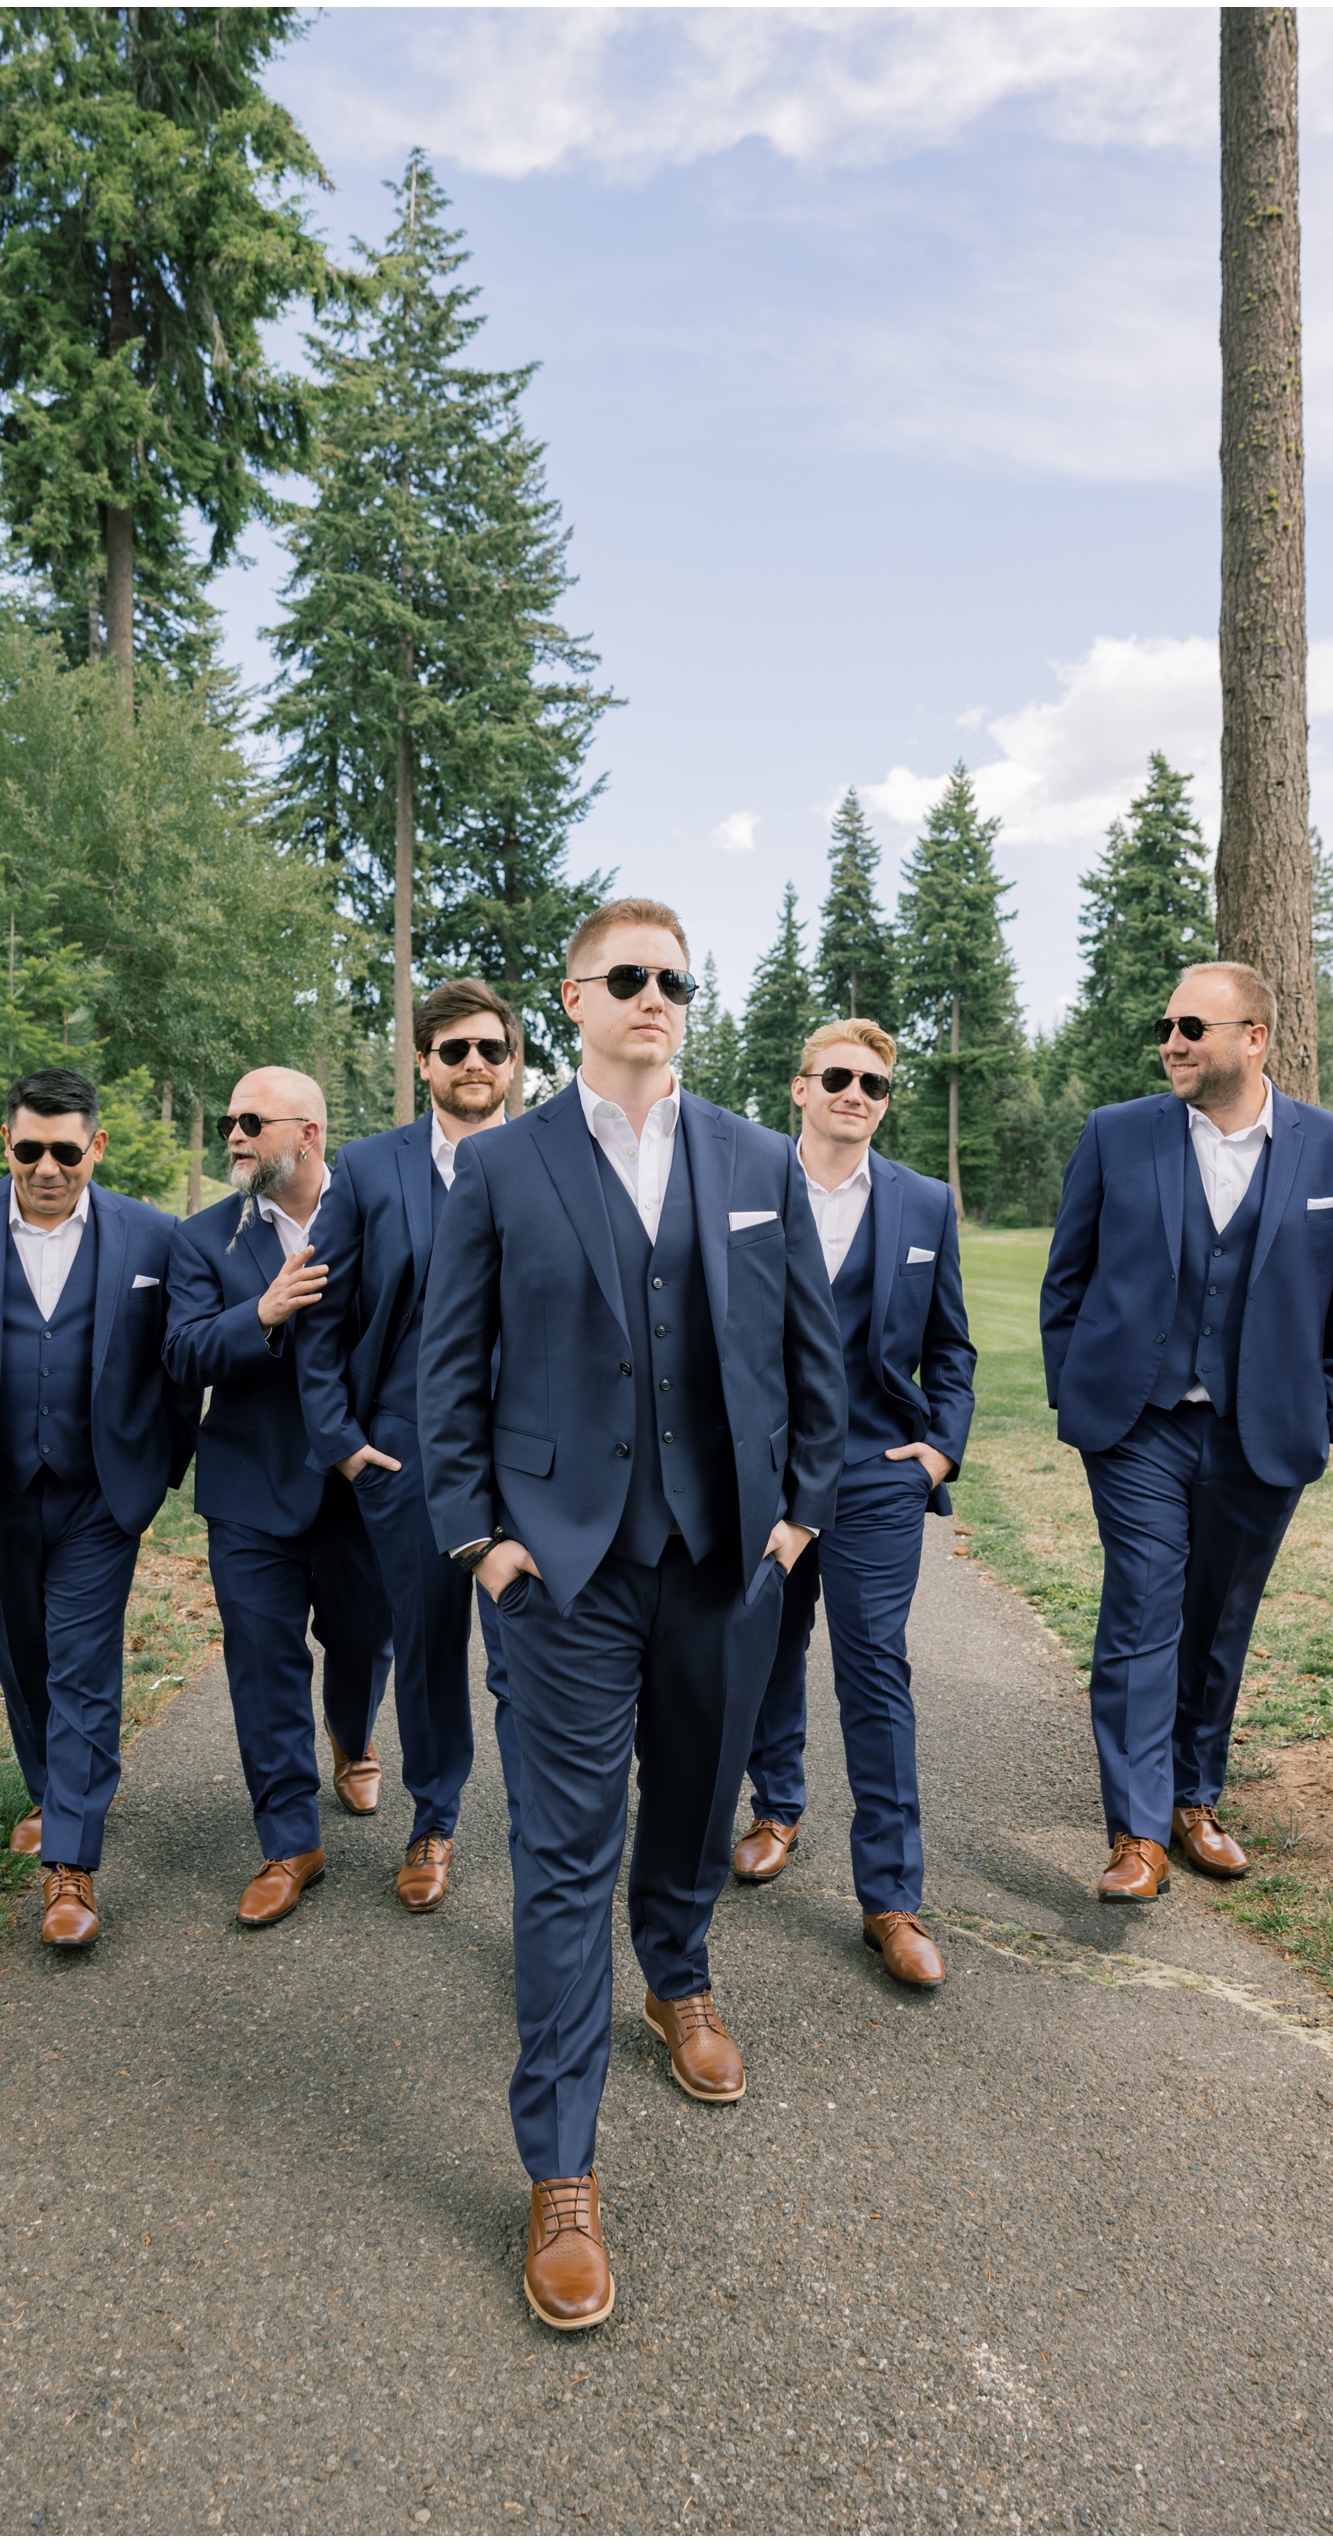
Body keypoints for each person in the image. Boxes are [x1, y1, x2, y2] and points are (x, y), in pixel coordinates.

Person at [419, 898, 847, 2331]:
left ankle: (678, 1974)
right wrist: (480, 1538)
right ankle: (560, 2165)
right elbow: (450, 1366)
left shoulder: (753, 1155)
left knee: (696, 1804)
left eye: (675, 977)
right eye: (629, 976)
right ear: (577, 996)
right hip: (560, 1569)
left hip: (725, 1556)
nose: (655, 994)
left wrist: (797, 1514)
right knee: (559, 1850)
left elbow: (808, 1354)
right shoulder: (503, 1165)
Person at [1041, 962, 1333, 1901]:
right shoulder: (1117, 1134)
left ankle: (1196, 1795)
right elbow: (1066, 1278)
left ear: (1255, 1038)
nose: (1173, 1041)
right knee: (1144, 1609)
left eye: (1193, 1025)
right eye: (1167, 1025)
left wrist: (1325, 1417)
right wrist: (1074, 1390)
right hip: (1138, 1424)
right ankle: (1140, 1832)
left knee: (1222, 1619)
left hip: (1263, 1432)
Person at [0, 1066, 197, 1948]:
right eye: (30, 1149)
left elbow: (174, 1370)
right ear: (7, 1144)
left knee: (84, 1665)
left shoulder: (152, 1236)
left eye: (66, 1149)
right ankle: (51, 1786)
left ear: (95, 1145)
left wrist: (161, 1466)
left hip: (102, 1493)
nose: (47, 1166)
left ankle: (72, 1866)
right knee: (23, 1659)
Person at [734, 1021, 975, 1988]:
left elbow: (951, 1347)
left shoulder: (925, 1201)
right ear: (801, 1087)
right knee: (766, 1649)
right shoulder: (744, 1184)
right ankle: (776, 1808)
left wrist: (940, 1449)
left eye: (874, 1083)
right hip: (767, 1473)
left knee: (875, 1668)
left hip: (880, 1471)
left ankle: (892, 1899)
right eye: (837, 1076)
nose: (856, 1093)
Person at [293, 986, 521, 1912]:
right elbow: (323, 1314)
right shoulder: (367, 1169)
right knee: (426, 1648)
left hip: (532, 1460)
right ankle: (434, 1820)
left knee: (529, 1655)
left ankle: (548, 1826)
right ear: (424, 1061)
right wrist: (342, 1442)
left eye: (491, 1049)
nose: (474, 1063)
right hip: (406, 1455)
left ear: (513, 1062)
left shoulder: (553, 1156)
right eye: (453, 1048)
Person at [164, 1070, 393, 1927]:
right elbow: (183, 1356)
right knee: (262, 1664)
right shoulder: (203, 1240)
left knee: (366, 1637)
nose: (233, 1133)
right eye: (228, 1119)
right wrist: (257, 1314)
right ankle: (289, 1840)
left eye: (251, 1120)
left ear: (309, 1133)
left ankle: (353, 1732)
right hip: (251, 1488)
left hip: (359, 1482)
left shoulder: (375, 1212)